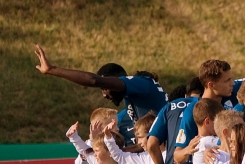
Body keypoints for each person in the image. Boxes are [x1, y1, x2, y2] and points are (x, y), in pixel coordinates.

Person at [34, 45, 167, 145]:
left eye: (104, 88)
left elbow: (93, 80)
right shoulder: (131, 104)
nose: (104, 95)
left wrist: (52, 70)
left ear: (114, 80)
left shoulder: (142, 84)